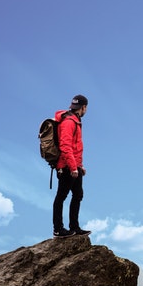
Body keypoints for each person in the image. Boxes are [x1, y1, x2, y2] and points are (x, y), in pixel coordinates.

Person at [52, 94, 92, 238]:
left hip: (74, 165)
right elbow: (65, 146)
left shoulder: (76, 120)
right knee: (61, 196)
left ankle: (74, 227)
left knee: (78, 195)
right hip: (66, 166)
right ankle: (58, 229)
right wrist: (73, 167)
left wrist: (80, 166)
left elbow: (75, 147)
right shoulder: (69, 121)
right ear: (84, 107)